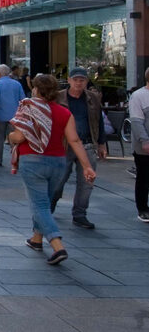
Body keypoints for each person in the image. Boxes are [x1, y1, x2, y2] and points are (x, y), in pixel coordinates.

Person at [10, 74, 96, 264]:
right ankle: (36, 239)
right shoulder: (64, 112)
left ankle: (57, 245)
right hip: (58, 161)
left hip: (32, 160)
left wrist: (10, 137)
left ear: (36, 90)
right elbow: (74, 140)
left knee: (39, 204)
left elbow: (19, 136)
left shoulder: (29, 108)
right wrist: (87, 166)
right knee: (45, 202)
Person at [52, 67, 106, 229]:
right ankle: (49, 206)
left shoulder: (93, 98)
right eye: (75, 79)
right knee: (59, 180)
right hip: (64, 145)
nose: (78, 83)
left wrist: (101, 143)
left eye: (82, 80)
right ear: (69, 80)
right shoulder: (58, 97)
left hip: (87, 143)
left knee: (87, 182)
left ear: (86, 82)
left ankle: (80, 214)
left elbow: (99, 121)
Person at [0, 64, 26, 166]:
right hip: (14, 115)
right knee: (15, 138)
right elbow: (22, 99)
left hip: (0, 115)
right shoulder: (17, 84)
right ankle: (16, 158)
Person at [129, 69, 149, 223]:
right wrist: (144, 140)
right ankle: (142, 208)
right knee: (143, 177)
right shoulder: (139, 96)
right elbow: (136, 121)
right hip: (144, 146)